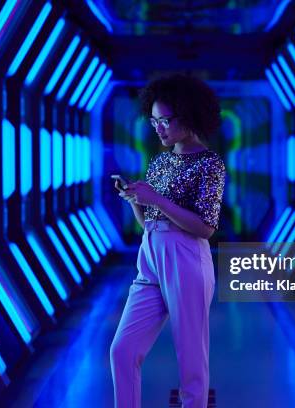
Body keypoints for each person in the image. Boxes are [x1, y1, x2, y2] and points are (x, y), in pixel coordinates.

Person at [109, 73, 226, 408]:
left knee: (191, 360)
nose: (158, 128)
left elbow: (205, 227)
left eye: (165, 120)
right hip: (151, 254)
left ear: (189, 116)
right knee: (123, 350)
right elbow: (150, 221)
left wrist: (157, 200)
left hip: (186, 257)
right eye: (153, 120)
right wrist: (136, 200)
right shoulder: (160, 161)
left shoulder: (209, 165)